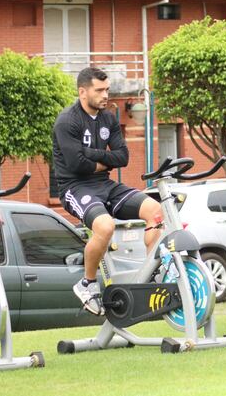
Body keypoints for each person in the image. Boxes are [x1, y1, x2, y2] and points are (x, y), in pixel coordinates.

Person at [52, 67, 162, 315]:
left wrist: (91, 155)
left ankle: (152, 273)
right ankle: (87, 283)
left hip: (105, 184)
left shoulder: (109, 118)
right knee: (104, 226)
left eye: (107, 89)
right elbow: (76, 165)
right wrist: (104, 158)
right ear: (83, 92)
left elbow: (122, 157)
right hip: (75, 187)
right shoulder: (67, 121)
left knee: (155, 210)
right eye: (99, 90)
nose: (105, 95)